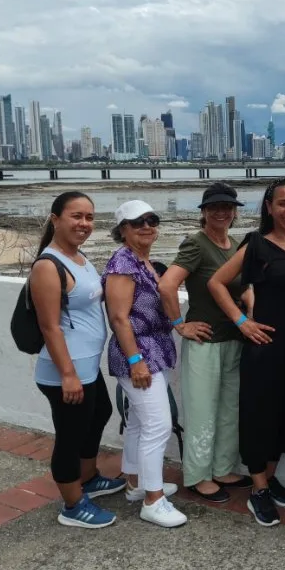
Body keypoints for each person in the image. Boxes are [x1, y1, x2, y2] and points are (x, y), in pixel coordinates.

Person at [208, 178, 285, 528]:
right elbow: (216, 283)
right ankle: (259, 487)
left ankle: (270, 474)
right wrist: (241, 322)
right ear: (269, 207)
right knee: (259, 414)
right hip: (264, 345)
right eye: (283, 203)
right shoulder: (256, 245)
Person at [30, 190, 125, 529]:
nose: (84, 223)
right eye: (76, 216)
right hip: (65, 370)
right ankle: (72, 504)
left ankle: (88, 477)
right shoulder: (47, 265)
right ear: (55, 219)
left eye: (89, 217)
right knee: (70, 436)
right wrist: (68, 374)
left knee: (99, 413)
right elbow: (49, 326)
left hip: (85, 364)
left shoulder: (79, 257)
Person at [159, 182, 253, 503]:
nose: (222, 212)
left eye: (227, 206)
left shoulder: (236, 245)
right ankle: (198, 475)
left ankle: (223, 467)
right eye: (214, 206)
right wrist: (180, 325)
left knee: (229, 409)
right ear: (203, 211)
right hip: (205, 342)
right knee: (201, 409)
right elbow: (167, 285)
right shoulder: (196, 244)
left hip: (234, 339)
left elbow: (244, 289)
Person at [103, 200, 187, 529]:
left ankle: (136, 483)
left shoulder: (143, 261)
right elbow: (119, 318)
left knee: (139, 423)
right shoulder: (123, 262)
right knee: (158, 426)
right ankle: (153, 500)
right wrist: (136, 360)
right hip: (139, 353)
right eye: (137, 222)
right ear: (122, 230)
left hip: (154, 349)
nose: (147, 226)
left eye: (152, 220)